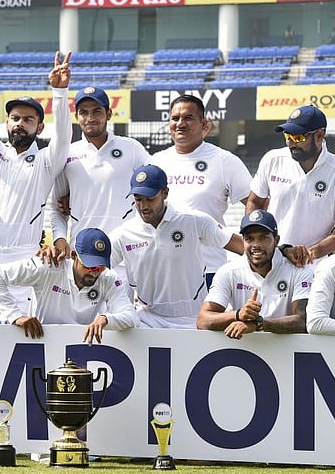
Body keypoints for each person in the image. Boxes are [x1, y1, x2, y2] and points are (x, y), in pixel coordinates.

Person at [0, 28, 72, 324]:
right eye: (14, 118)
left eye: (28, 119)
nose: (20, 124)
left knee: (23, 336)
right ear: (6, 122)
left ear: (39, 127)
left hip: (26, 260)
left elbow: (64, 136)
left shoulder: (47, 160)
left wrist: (59, 94)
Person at [110, 164, 244, 328]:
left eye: (150, 199)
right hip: (147, 321)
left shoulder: (193, 220)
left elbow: (242, 246)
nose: (143, 206)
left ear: (165, 193)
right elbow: (96, 269)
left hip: (193, 319)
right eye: (138, 199)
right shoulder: (124, 233)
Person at [151, 94, 252, 286]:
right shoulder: (155, 161)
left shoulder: (225, 161)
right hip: (164, 268)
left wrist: (249, 240)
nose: (180, 123)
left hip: (209, 269)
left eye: (188, 118)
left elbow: (255, 203)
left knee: (208, 317)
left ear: (204, 124)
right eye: (175, 118)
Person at [47, 86, 149, 265]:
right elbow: (56, 208)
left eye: (97, 112)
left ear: (109, 114)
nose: (90, 118)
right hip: (82, 256)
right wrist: (60, 238)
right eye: (83, 113)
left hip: (127, 256)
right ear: (76, 116)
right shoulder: (66, 153)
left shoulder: (132, 148)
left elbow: (153, 187)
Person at [247, 104, 335, 261]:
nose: (291, 144)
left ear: (319, 136)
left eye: (298, 138)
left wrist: (309, 253)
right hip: (273, 261)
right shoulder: (272, 160)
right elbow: (254, 201)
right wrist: (255, 238)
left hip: (315, 265)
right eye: (288, 137)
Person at [0, 227, 138, 343]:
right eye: (90, 266)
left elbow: (132, 318)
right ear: (73, 256)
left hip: (81, 345)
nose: (94, 273)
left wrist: (106, 319)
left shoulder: (108, 277)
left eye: (100, 267)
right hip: (41, 341)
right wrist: (15, 316)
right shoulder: (48, 265)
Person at [197, 209, 311, 339]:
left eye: (263, 238)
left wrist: (259, 324)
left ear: (276, 240)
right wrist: (238, 314)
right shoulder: (228, 271)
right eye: (249, 239)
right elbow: (202, 321)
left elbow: (304, 321)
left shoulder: (299, 269)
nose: (256, 245)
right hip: (245, 352)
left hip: (289, 353)